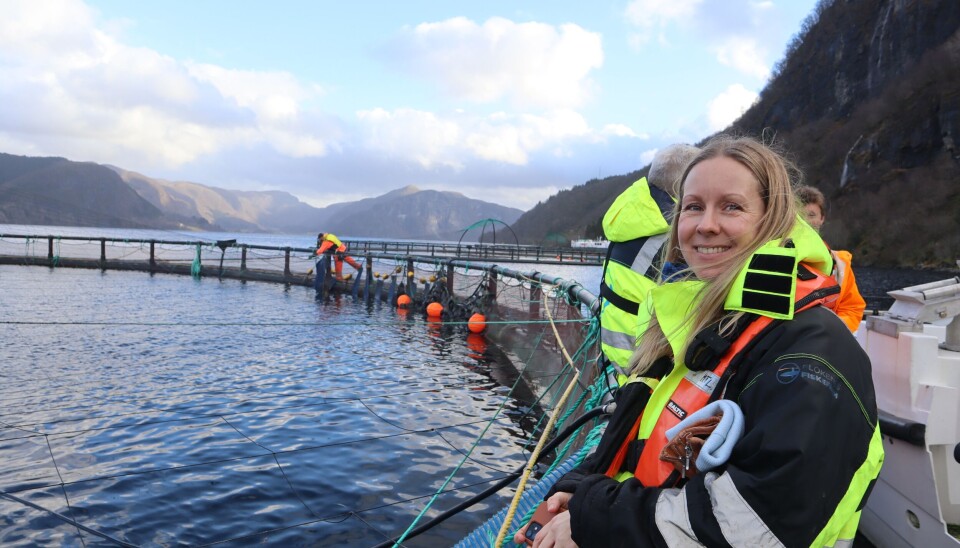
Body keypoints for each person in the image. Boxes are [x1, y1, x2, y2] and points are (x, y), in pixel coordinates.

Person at [515, 135, 883, 547]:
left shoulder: (816, 352)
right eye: (693, 207)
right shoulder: (689, 325)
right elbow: (638, 433)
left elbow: (754, 527)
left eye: (731, 206)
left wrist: (593, 520)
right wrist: (581, 486)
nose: (706, 224)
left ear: (772, 220)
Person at [598, 144, 700, 379]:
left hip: (617, 361)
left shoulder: (632, 220)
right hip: (648, 372)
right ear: (683, 187)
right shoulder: (674, 236)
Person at [797, 185, 867, 332]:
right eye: (799, 215)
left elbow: (852, 308)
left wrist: (829, 331)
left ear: (822, 218)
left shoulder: (841, 264)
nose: (806, 221)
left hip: (823, 344)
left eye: (811, 215)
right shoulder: (773, 254)